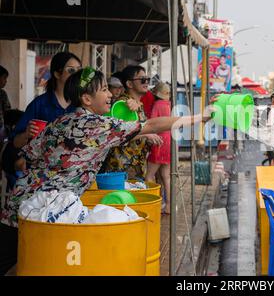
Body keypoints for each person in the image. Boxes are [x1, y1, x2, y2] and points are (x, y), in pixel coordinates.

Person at [0, 67, 212, 275]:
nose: (110, 94)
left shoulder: (60, 122)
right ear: (87, 99)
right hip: (43, 217)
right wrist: (198, 118)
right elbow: (153, 125)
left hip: (19, 206)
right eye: (103, 89)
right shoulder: (96, 124)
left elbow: (26, 159)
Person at [101, 65, 161, 179]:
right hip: (121, 169)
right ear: (129, 84)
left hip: (135, 166)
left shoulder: (137, 104)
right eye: (142, 79)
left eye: (147, 79)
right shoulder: (123, 105)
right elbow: (118, 135)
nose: (146, 82)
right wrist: (146, 134)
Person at [11, 52, 81, 149]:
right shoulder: (40, 104)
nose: (77, 75)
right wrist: (26, 134)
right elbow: (15, 143)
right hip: (42, 162)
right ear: (57, 74)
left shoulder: (82, 103)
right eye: (71, 70)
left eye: (79, 70)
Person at [145, 82, 172, 214]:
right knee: (166, 176)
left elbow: (152, 123)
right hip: (170, 140)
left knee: (149, 176)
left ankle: (154, 204)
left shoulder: (157, 105)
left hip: (159, 141)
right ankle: (169, 205)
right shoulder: (169, 105)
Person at [0, 66, 12, 144]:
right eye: (4, 78)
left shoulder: (2, 93)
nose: (6, 81)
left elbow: (8, 112)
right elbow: (8, 112)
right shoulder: (2, 93)